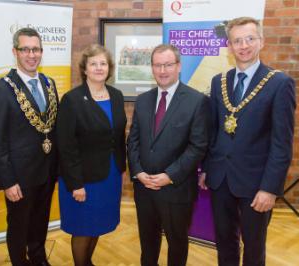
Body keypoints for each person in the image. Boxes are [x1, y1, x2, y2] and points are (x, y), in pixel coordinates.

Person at [199, 17, 296, 266]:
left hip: (256, 184)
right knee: (224, 242)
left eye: (250, 39)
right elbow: (213, 132)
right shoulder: (218, 82)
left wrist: (270, 188)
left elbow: (281, 143)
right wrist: (207, 169)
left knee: (253, 247)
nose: (244, 46)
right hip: (220, 179)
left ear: (261, 41)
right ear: (229, 47)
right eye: (237, 41)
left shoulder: (279, 83)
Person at [127, 44, 209, 266]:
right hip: (144, 188)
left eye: (168, 65)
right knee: (148, 244)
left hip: (176, 189)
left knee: (177, 244)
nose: (162, 71)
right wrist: (138, 172)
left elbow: (197, 146)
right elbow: (133, 140)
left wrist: (169, 175)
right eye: (157, 65)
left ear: (179, 66)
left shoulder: (197, 101)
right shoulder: (143, 100)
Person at [0, 28, 58, 266]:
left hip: (46, 171)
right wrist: (7, 180)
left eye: (36, 49)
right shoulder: (1, 88)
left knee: (40, 222)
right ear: (15, 52)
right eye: (25, 49)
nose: (31, 54)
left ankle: (38, 259)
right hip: (19, 176)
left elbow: (51, 128)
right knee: (18, 226)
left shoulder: (49, 83)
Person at [57, 44, 126, 266]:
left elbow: (118, 136)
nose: (99, 68)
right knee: (83, 227)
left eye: (103, 63)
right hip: (83, 179)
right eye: (93, 64)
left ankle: (88, 262)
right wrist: (75, 183)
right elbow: (66, 146)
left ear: (109, 68)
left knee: (98, 224)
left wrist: (121, 168)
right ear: (84, 69)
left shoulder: (116, 96)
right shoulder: (72, 100)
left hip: (110, 175)